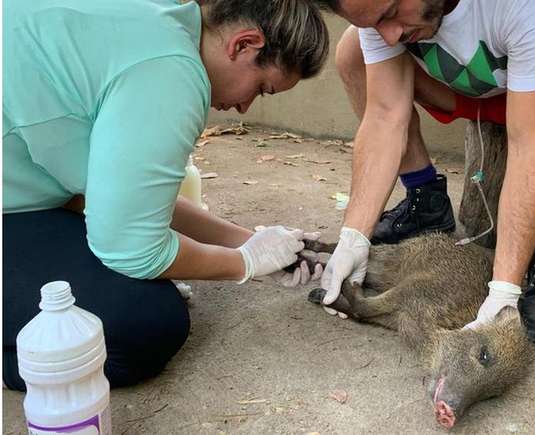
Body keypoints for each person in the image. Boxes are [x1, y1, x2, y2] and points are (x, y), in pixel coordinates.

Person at [2, 0, 329, 390]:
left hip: (23, 192)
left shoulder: (158, 20)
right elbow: (131, 248)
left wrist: (249, 240)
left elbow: (127, 203)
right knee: (144, 324)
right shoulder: (174, 71)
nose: (244, 107)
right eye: (262, 88)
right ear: (244, 45)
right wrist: (242, 263)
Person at [315, 0, 535, 344]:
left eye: (391, 13)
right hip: (476, 90)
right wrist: (354, 235)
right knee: (353, 49)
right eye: (375, 23)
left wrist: (504, 291)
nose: (390, 36)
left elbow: (530, 143)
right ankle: (425, 200)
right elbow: (384, 115)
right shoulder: (380, 14)